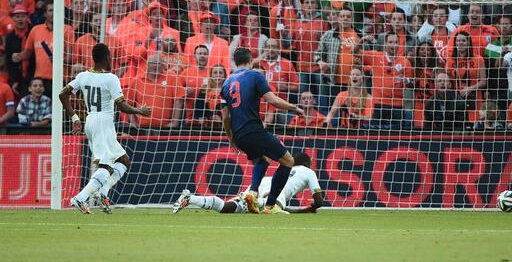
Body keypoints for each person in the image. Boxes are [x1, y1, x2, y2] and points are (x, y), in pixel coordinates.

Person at [59, 43, 150, 214]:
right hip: (103, 122)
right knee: (106, 166)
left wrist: (74, 117)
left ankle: (103, 192)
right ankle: (80, 198)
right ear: (108, 56)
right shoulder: (111, 79)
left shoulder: (83, 76)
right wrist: (140, 111)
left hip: (90, 120)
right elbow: (122, 106)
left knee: (123, 160)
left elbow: (63, 94)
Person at [221, 47, 304, 214]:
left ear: (235, 61)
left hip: (239, 135)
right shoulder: (255, 76)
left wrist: (231, 138)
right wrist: (293, 108)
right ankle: (270, 206)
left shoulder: (226, 82)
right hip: (253, 130)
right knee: (288, 161)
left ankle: (253, 192)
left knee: (263, 158)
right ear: (251, 61)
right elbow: (272, 100)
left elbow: (225, 117)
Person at [172, 152, 324, 214]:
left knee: (227, 207)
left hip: (267, 181)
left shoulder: (286, 168)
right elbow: (319, 201)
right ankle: (258, 203)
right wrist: (308, 209)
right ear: (308, 164)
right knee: (273, 210)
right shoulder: (309, 172)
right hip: (278, 191)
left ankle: (190, 198)